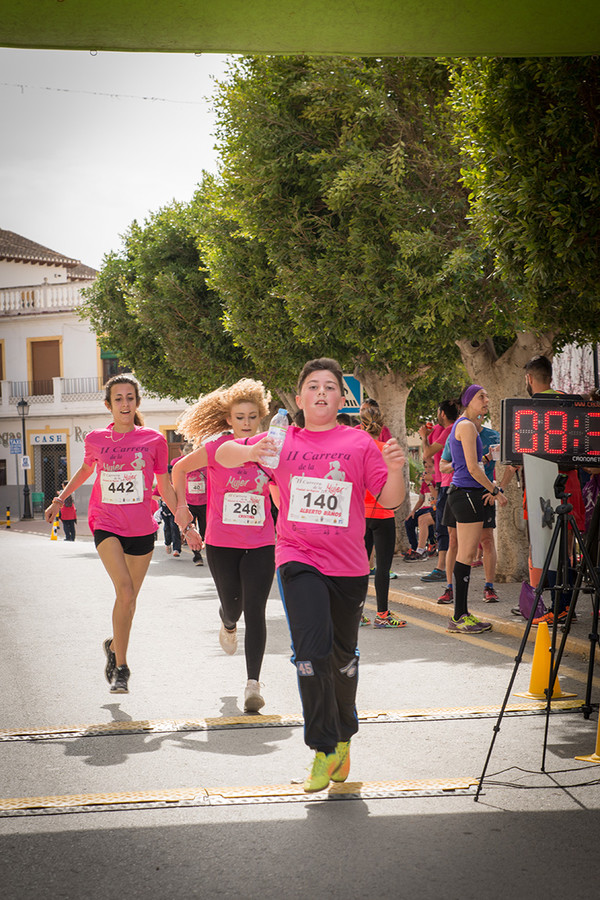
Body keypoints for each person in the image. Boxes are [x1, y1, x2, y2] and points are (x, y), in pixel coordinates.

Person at [216, 358, 405, 792]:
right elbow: (222, 454)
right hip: (297, 557)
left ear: (342, 398)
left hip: (349, 565)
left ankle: (343, 736)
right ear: (299, 398)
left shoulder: (359, 443)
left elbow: (390, 499)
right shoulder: (281, 441)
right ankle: (321, 747)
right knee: (310, 651)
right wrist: (249, 451)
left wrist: (396, 469)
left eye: (330, 386)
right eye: (313, 386)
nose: (321, 392)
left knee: (342, 658)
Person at [44, 374, 194, 693]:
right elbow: (86, 470)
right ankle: (122, 669)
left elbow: (165, 485)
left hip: (141, 527)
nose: (124, 404)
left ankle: (114, 645)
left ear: (137, 402)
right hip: (106, 522)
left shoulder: (154, 440)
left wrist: (186, 524)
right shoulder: (96, 439)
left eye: (129, 398)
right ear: (108, 405)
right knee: (124, 589)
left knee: (129, 599)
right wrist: (60, 499)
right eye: (118, 399)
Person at [172, 379, 276, 713]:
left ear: (261, 417)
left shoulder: (269, 446)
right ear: (229, 419)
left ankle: (252, 684)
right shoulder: (217, 447)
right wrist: (182, 508)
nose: (246, 422)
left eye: (252, 417)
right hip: (222, 543)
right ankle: (228, 621)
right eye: (239, 417)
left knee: (256, 611)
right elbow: (179, 469)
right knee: (234, 608)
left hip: (261, 542)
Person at [444, 384, 508, 634]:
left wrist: (488, 461)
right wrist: (495, 490)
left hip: (463, 494)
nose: (487, 400)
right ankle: (459, 616)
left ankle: (462, 614)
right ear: (468, 400)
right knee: (467, 555)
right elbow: (471, 468)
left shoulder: (463, 425)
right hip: (468, 494)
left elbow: (470, 463)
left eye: (487, 396)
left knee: (466, 554)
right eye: (482, 396)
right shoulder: (467, 426)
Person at [360, 404, 407, 628]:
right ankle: (382, 614)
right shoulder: (387, 450)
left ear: (361, 425)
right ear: (382, 426)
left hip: (360, 514)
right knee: (383, 568)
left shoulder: (357, 451)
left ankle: (356, 613)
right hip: (383, 513)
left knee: (358, 568)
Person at [420, 400, 459, 583]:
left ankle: (442, 567)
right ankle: (449, 567)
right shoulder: (453, 428)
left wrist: (423, 437)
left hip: (448, 483)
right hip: (446, 482)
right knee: (449, 528)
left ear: (442, 413)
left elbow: (426, 454)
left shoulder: (449, 429)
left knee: (444, 527)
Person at [170, 443, 206, 565]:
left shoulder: (205, 464)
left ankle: (202, 545)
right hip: (188, 503)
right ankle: (197, 556)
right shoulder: (179, 463)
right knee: (191, 529)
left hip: (205, 502)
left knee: (204, 530)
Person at [404, 459, 437, 561]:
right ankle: (414, 547)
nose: (427, 469)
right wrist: (413, 511)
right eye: (426, 467)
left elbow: (436, 497)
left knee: (424, 518)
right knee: (409, 521)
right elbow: (421, 499)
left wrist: (429, 483)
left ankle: (430, 544)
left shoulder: (437, 479)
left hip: (434, 507)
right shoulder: (423, 483)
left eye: (430, 467)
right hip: (424, 507)